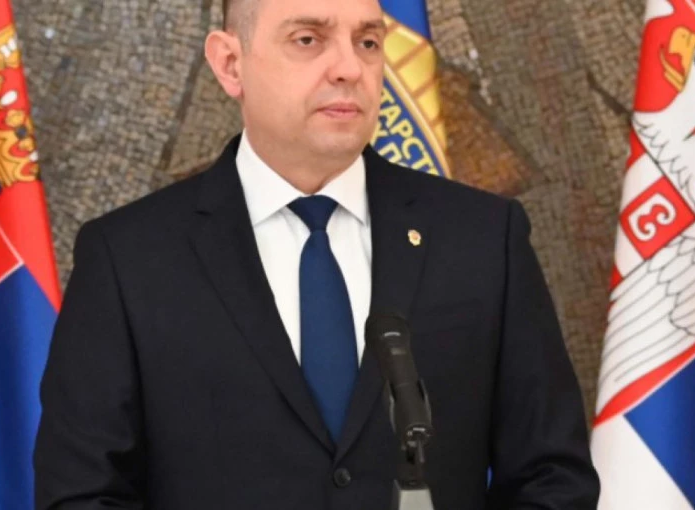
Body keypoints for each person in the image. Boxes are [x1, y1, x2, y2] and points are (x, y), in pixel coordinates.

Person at [33, 0, 600, 508]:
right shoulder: (128, 258)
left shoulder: (483, 238)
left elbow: (552, 477)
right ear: (230, 64)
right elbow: (82, 492)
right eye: (308, 39)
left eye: (368, 41)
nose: (349, 67)